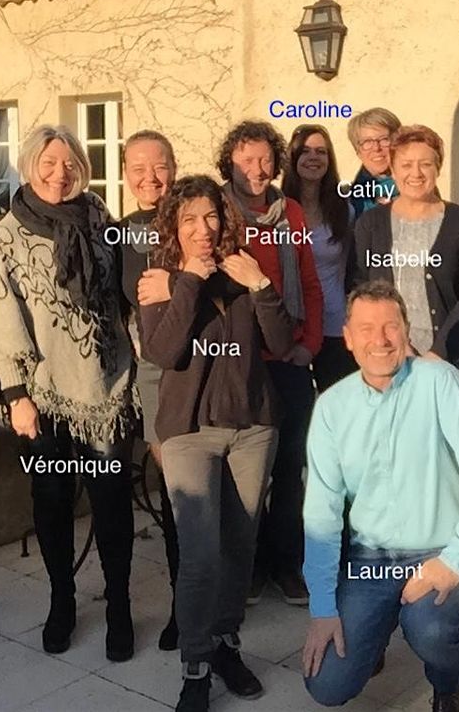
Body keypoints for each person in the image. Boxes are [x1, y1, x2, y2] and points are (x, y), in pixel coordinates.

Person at [301, 282, 459, 712]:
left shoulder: (439, 382)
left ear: (406, 330)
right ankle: (376, 628)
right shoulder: (332, 407)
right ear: (348, 337)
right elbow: (321, 513)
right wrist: (322, 607)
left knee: (431, 630)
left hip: (440, 549)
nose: (380, 340)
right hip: (369, 561)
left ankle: (450, 682)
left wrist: (456, 560)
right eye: (366, 328)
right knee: (326, 685)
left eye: (390, 326)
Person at [0, 125, 137, 661]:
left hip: (106, 388)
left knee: (112, 502)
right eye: (48, 163)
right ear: (29, 167)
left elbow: (126, 293)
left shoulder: (101, 220)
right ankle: (62, 601)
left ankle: (119, 606)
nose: (58, 173)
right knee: (51, 500)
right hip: (43, 396)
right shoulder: (8, 234)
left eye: (69, 164)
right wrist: (15, 394)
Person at [138, 175, 296, 712]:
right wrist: (187, 282)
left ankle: (227, 644)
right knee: (201, 556)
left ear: (224, 219)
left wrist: (262, 286)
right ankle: (196, 665)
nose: (202, 229)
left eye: (210, 216)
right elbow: (163, 353)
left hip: (252, 428)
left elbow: (281, 341)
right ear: (174, 227)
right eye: (189, 220)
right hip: (189, 434)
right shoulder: (160, 278)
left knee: (239, 548)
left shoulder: (244, 271)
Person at [215, 120, 323, 606]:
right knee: (245, 474)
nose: (256, 170)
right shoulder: (217, 212)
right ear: (230, 163)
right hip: (238, 361)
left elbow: (310, 282)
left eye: (265, 159)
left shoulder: (290, 212)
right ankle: (250, 565)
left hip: (288, 358)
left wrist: (310, 344)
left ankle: (286, 563)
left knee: (291, 465)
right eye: (246, 160)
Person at [118, 130, 181, 651]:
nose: (150, 178)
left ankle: (199, 603)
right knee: (174, 492)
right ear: (125, 175)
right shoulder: (121, 234)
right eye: (137, 168)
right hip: (153, 375)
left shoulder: (196, 220)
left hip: (202, 370)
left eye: (158, 166)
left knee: (198, 494)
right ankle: (184, 603)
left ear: (174, 169)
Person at [352, 125, 459, 367]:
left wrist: (439, 352)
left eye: (425, 164)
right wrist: (397, 345)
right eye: (406, 165)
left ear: (438, 168)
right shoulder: (370, 223)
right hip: (387, 355)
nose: (416, 173)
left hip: (448, 361)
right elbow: (359, 286)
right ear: (393, 169)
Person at [282, 125, 356, 392]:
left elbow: (350, 268)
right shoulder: (277, 210)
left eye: (321, 152)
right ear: (293, 158)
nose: (313, 157)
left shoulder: (344, 210)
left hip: (334, 325)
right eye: (305, 151)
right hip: (292, 325)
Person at [345, 108, 401, 217]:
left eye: (384, 139)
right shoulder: (348, 201)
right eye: (367, 142)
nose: (376, 148)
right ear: (358, 151)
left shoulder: (418, 188)